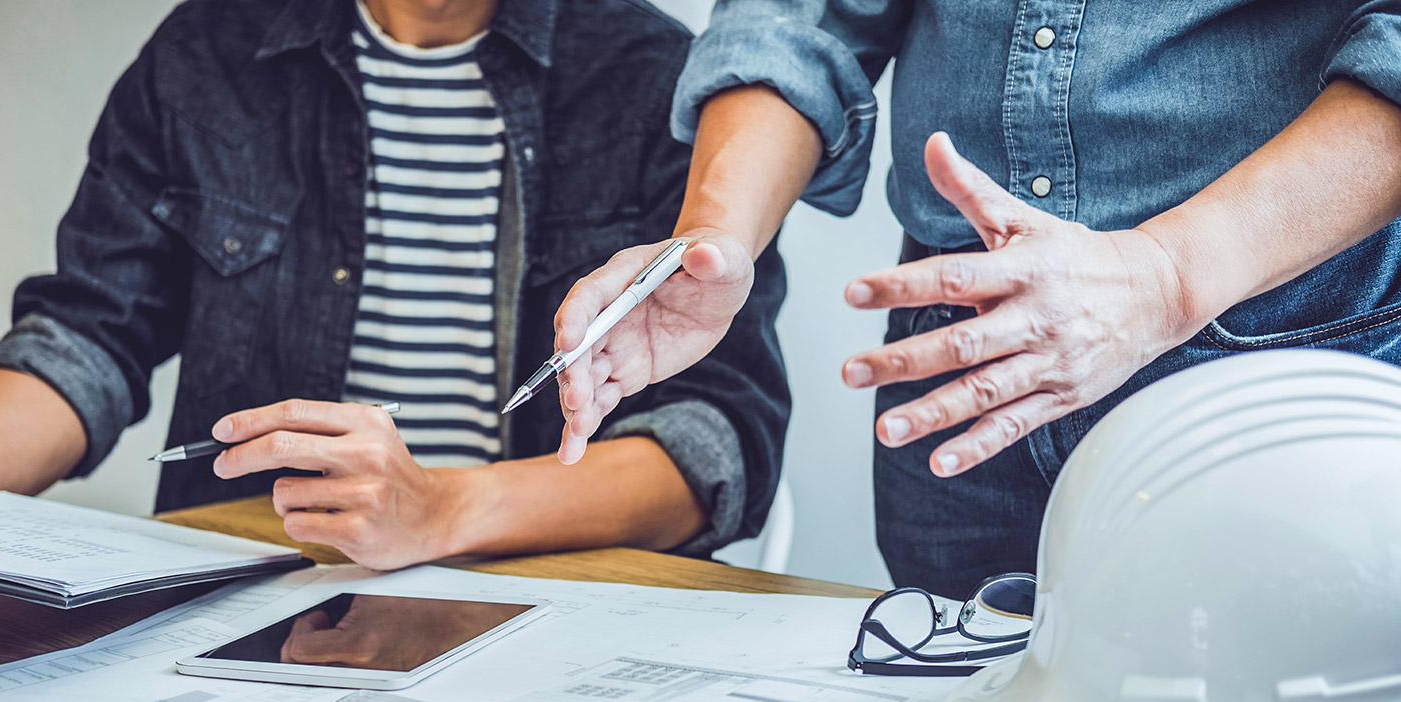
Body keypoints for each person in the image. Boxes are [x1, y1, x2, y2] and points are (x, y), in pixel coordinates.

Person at [0, 0, 791, 589]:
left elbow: (713, 442)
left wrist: (442, 510)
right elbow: (83, 336)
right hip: (249, 589)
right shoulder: (207, 51)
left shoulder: (654, 77)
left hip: (544, 592)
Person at [553, 1, 1401, 598]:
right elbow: (789, 16)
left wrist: (1166, 275)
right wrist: (712, 237)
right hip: (962, 369)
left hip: (1273, 346)